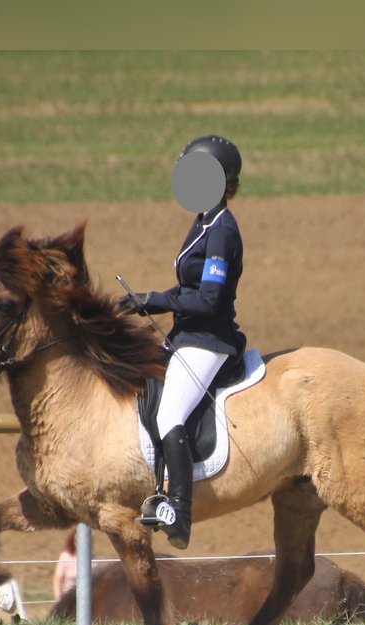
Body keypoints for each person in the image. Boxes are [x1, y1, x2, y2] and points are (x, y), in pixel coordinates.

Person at [120, 135, 247, 550]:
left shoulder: (222, 230)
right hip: (186, 334)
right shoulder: (203, 221)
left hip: (209, 340)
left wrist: (152, 300)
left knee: (169, 414)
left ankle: (178, 513)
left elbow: (209, 299)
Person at [52, 529, 78, 603]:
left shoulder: (95, 560)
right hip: (68, 598)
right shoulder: (65, 557)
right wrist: (58, 598)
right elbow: (58, 579)